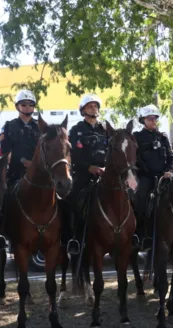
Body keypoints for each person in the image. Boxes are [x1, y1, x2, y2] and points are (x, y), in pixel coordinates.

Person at [66, 93, 108, 254]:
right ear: (83, 110)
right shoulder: (76, 130)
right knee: (73, 199)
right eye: (90, 106)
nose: (94, 108)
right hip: (83, 174)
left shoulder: (105, 129)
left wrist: (105, 168)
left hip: (104, 173)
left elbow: (113, 151)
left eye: (96, 105)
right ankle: (74, 238)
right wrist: (88, 167)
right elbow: (73, 154)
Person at [133, 104, 173, 248]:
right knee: (140, 200)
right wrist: (149, 173)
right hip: (146, 177)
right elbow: (136, 159)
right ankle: (140, 234)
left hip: (164, 177)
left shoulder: (163, 137)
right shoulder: (137, 137)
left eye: (154, 118)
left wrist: (170, 171)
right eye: (149, 118)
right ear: (143, 120)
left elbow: (171, 157)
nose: (153, 121)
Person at [0, 89, 41, 188]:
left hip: (38, 172)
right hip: (15, 173)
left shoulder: (40, 126)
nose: (28, 108)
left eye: (31, 105)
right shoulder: (9, 126)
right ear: (17, 106)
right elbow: (5, 151)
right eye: (24, 105)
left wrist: (33, 164)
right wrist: (22, 161)